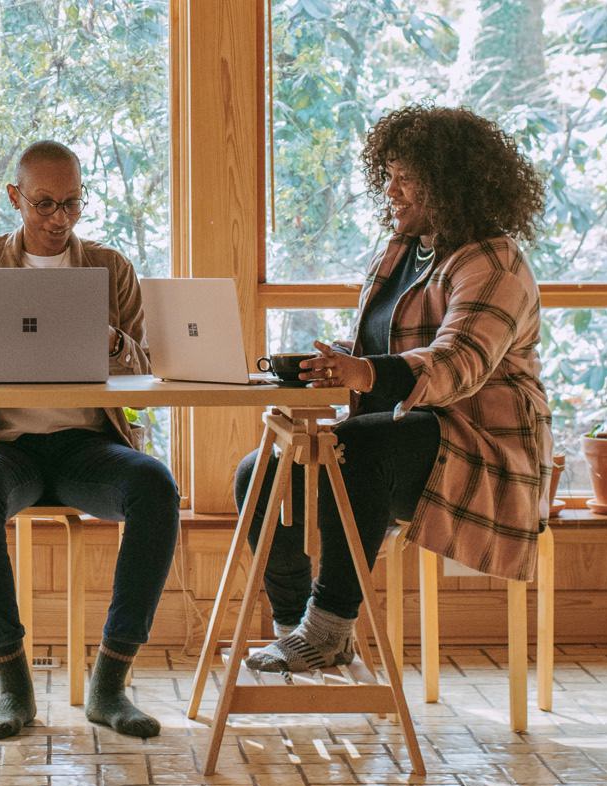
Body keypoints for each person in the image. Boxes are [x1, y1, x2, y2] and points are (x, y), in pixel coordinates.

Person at [235, 105, 554, 673]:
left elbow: (459, 363)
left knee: (358, 446)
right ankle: (295, 626)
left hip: (481, 448)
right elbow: (381, 351)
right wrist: (336, 365)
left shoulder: (493, 261)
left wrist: (365, 374)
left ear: (449, 183)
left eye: (406, 176)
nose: (391, 188)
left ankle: (330, 627)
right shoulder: (404, 250)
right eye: (389, 172)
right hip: (402, 439)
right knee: (257, 474)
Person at [0, 140, 179, 739]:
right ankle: (13, 686)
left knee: (154, 483)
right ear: (15, 198)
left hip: (87, 444)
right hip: (2, 446)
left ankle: (110, 683)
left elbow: (147, 377)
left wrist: (111, 344)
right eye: (45, 204)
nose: (60, 219)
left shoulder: (109, 269)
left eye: (73, 204)